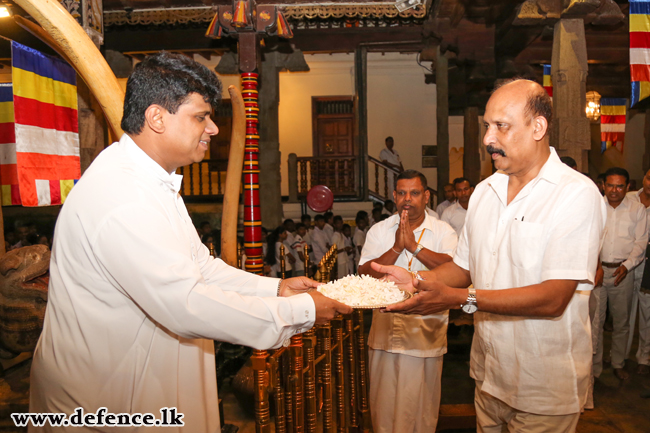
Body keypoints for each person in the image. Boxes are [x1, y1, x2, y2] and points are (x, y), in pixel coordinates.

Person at [28, 52, 352, 433]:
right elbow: (185, 304)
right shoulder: (122, 196)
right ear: (156, 117)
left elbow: (199, 267)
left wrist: (277, 289)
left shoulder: (152, 183)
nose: (213, 128)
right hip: (106, 402)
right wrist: (301, 311)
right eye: (201, 116)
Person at [372, 79, 605, 433]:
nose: (487, 139)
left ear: (538, 127)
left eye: (501, 126)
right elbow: (465, 267)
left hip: (543, 383)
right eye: (486, 126)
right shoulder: (485, 191)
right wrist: (419, 282)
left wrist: (459, 299)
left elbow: (554, 297)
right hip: (489, 374)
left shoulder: (575, 194)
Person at [358, 169, 457, 433]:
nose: (407, 199)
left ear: (426, 197)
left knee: (421, 408)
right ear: (393, 196)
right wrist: (396, 248)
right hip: (385, 331)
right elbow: (363, 273)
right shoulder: (380, 230)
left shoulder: (443, 231)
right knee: (384, 405)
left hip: (426, 332)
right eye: (401, 193)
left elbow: (456, 272)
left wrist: (414, 247)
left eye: (414, 193)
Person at [592, 167, 647, 381]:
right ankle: (594, 368)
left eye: (620, 186)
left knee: (621, 321)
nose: (614, 190)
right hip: (597, 270)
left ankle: (617, 363)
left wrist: (627, 265)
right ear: (603, 185)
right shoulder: (595, 207)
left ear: (627, 187)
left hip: (623, 272)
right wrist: (594, 265)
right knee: (596, 321)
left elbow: (641, 242)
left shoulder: (637, 209)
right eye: (610, 185)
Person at [627, 168, 650, 375]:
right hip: (624, 265)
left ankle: (643, 357)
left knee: (647, 314)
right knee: (624, 313)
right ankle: (620, 356)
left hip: (647, 267)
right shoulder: (628, 199)